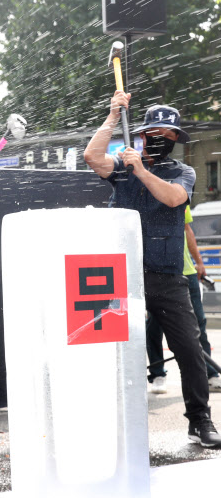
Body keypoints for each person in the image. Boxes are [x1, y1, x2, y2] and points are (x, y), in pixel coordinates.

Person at [84, 90, 221, 448]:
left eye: (169, 135)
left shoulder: (183, 171)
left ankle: (200, 420)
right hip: (120, 278)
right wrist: (114, 116)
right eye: (155, 133)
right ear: (142, 134)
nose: (162, 139)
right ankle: (106, 419)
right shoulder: (121, 164)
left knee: (190, 350)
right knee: (108, 347)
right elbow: (91, 156)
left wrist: (141, 171)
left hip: (167, 277)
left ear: (176, 139)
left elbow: (173, 198)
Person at [147, 205, 221, 394]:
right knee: (155, 325)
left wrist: (199, 262)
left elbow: (187, 230)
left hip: (186, 273)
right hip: (160, 274)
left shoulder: (180, 197)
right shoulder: (143, 200)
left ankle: (210, 374)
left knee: (198, 323)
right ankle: (157, 374)